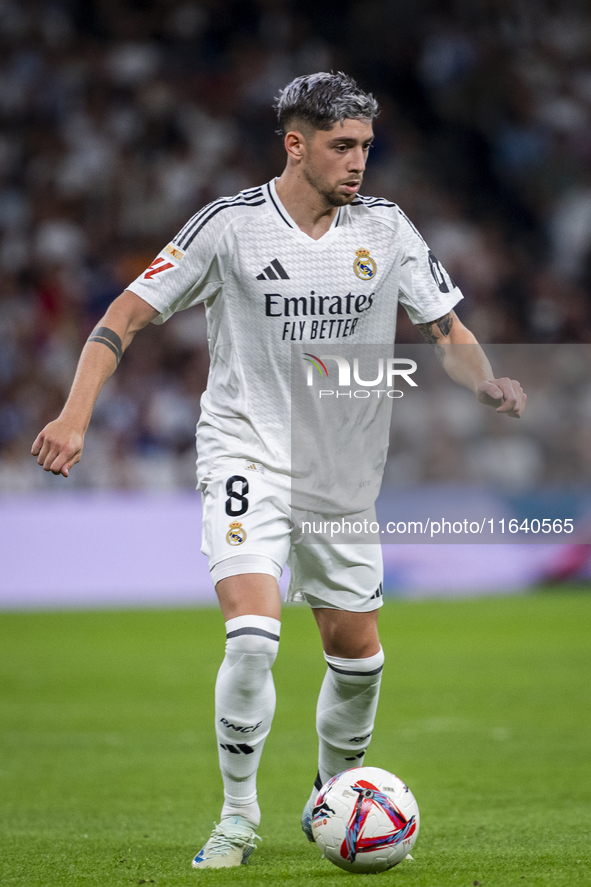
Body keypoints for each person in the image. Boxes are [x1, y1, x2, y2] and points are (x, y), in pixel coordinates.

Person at [32, 72, 526, 868]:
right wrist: (74, 412)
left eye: (365, 145)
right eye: (342, 146)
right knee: (254, 636)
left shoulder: (388, 229)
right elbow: (122, 315)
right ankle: (235, 816)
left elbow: (446, 329)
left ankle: (332, 797)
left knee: (359, 659)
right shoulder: (229, 228)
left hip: (341, 475)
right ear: (295, 145)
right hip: (246, 453)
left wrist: (487, 381)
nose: (359, 161)